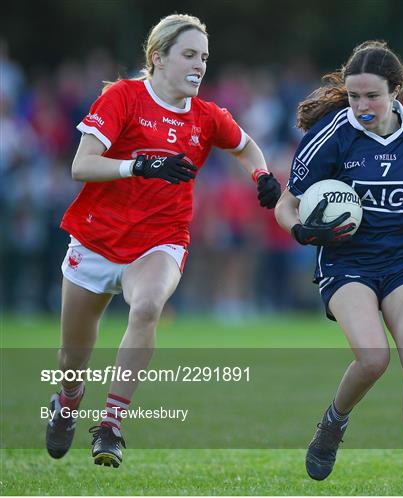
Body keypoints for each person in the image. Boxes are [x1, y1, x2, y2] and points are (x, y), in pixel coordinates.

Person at [45, 13, 281, 468]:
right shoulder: (123, 97)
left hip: (161, 240)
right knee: (72, 356)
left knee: (149, 305)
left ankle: (111, 424)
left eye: (205, 58)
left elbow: (246, 146)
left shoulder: (208, 115)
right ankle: (68, 400)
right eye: (189, 55)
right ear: (158, 58)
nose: (200, 66)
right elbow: (81, 164)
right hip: (96, 238)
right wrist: (138, 165)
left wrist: (263, 175)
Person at [274, 40, 403, 490]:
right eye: (354, 96)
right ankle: (333, 424)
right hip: (347, 261)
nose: (361, 106)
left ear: (396, 90)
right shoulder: (332, 135)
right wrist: (300, 232)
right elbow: (287, 204)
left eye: (371, 96)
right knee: (374, 358)